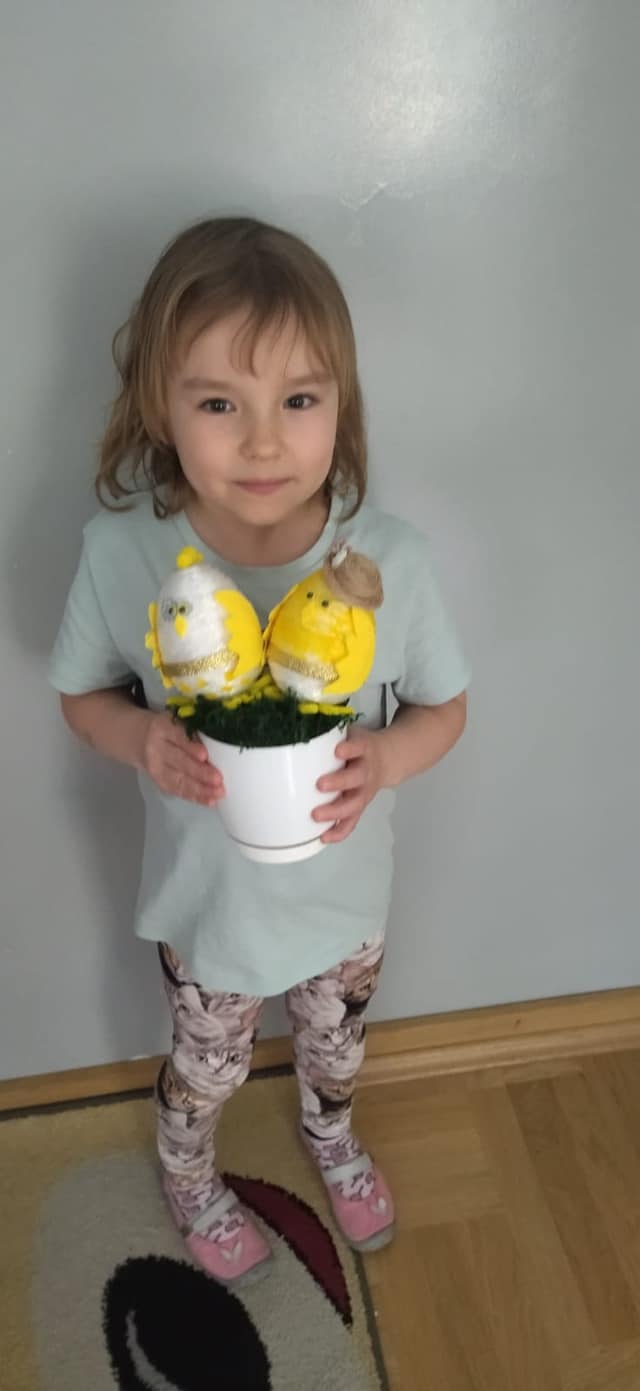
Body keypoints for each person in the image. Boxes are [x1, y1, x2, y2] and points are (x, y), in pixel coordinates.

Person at [49, 217, 470, 1287]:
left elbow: (445, 708)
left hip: (346, 901)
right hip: (210, 910)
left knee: (336, 1049)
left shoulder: (385, 559)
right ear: (161, 407)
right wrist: (141, 736)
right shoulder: (126, 552)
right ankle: (189, 1175)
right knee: (207, 1067)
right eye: (218, 404)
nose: (265, 443)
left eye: (299, 399)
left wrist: (386, 759)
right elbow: (80, 698)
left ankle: (331, 1135)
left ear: (341, 405)